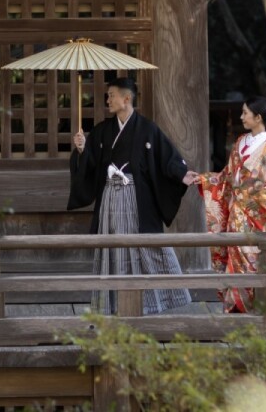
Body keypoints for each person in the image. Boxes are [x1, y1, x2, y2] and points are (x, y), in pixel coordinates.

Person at [67, 77, 193, 315]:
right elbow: (90, 164)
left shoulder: (147, 129)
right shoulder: (103, 130)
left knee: (142, 246)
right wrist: (82, 149)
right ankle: (112, 304)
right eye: (108, 96)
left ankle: (150, 302)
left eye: (111, 96)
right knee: (112, 248)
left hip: (135, 198)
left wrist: (181, 174)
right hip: (109, 198)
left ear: (126, 99)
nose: (108, 100)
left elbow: (166, 158)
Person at [183, 96, 266, 313]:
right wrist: (204, 179)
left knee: (259, 255)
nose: (241, 117)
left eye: (245, 113)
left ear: (258, 117)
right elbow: (227, 177)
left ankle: (263, 301)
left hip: (260, 213)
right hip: (237, 212)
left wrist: (257, 198)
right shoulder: (240, 142)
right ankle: (238, 303)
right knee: (237, 253)